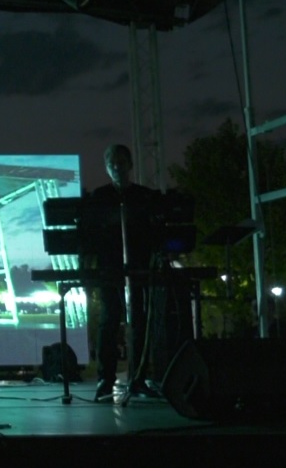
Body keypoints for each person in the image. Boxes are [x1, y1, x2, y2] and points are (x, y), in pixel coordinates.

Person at [86, 143, 162, 402]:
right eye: (112, 164)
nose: (117, 168)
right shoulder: (100, 196)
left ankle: (138, 378)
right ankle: (106, 379)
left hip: (138, 266)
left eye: (120, 163)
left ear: (129, 165)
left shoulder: (143, 196)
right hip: (110, 268)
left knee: (138, 321)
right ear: (107, 168)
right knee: (109, 320)